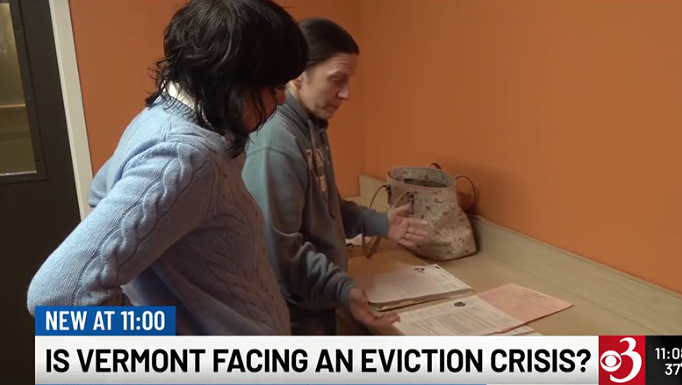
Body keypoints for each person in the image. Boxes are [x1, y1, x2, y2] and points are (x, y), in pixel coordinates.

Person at [26, 0, 308, 335]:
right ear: (231, 80)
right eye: (275, 86)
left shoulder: (162, 117)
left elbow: (102, 192)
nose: (283, 99)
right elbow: (56, 295)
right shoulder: (185, 156)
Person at [242, 17, 430, 335]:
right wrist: (342, 287)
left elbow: (323, 207)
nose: (346, 93)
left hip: (317, 298)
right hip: (294, 311)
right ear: (298, 74)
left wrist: (381, 224)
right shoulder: (276, 143)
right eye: (336, 79)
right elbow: (280, 251)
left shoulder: (311, 124)